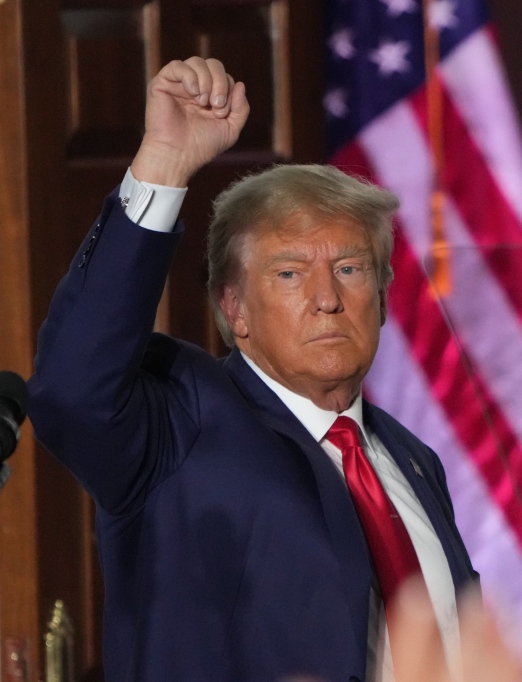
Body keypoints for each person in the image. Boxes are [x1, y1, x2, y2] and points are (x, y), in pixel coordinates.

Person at [28, 57, 478, 682]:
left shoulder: (411, 459)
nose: (327, 298)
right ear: (233, 308)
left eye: (349, 269)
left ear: (382, 293)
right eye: (290, 274)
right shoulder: (180, 420)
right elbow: (71, 388)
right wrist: (163, 161)